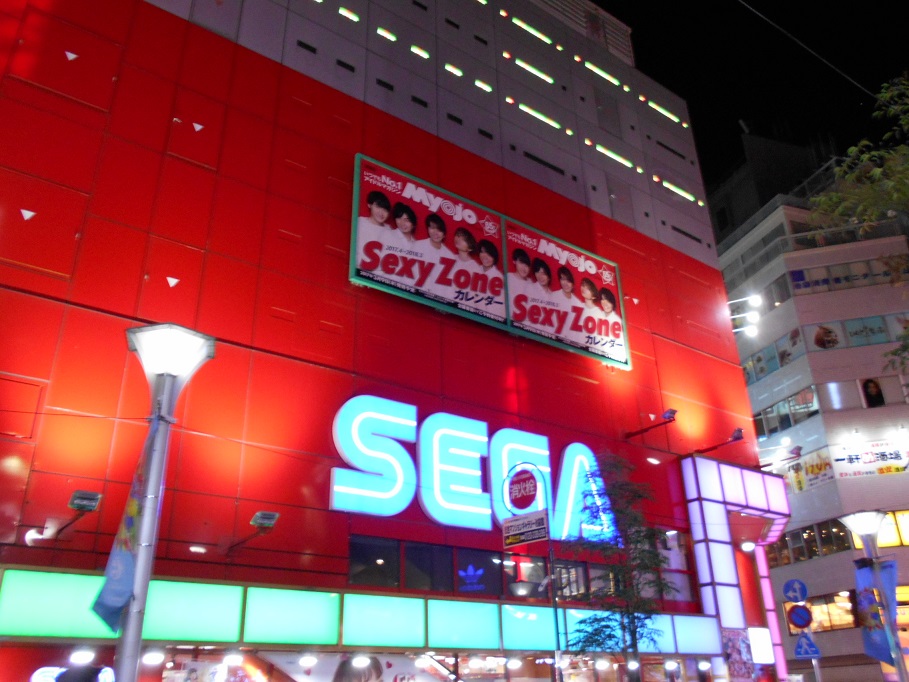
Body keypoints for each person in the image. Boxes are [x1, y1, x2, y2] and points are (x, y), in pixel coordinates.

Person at [355, 190, 392, 265]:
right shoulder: (359, 222)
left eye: (385, 210)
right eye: (378, 207)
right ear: (369, 205)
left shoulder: (389, 230)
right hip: (357, 267)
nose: (381, 213)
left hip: (378, 270)